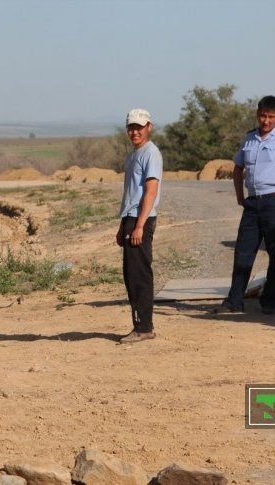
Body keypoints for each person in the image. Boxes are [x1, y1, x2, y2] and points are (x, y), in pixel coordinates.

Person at [215, 95, 275, 315]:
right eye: (262, 116)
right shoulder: (250, 138)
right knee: (243, 252)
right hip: (253, 203)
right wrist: (240, 195)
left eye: (270, 117)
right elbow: (238, 168)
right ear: (257, 115)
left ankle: (269, 299)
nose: (266, 121)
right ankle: (234, 302)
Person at [116, 108, 163, 343]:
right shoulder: (134, 154)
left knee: (140, 275)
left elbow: (150, 191)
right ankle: (139, 325)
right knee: (130, 275)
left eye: (139, 127)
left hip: (140, 219)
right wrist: (123, 224)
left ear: (149, 127)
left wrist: (139, 226)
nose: (135, 131)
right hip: (131, 218)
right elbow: (131, 193)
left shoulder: (150, 153)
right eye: (131, 127)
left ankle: (144, 327)